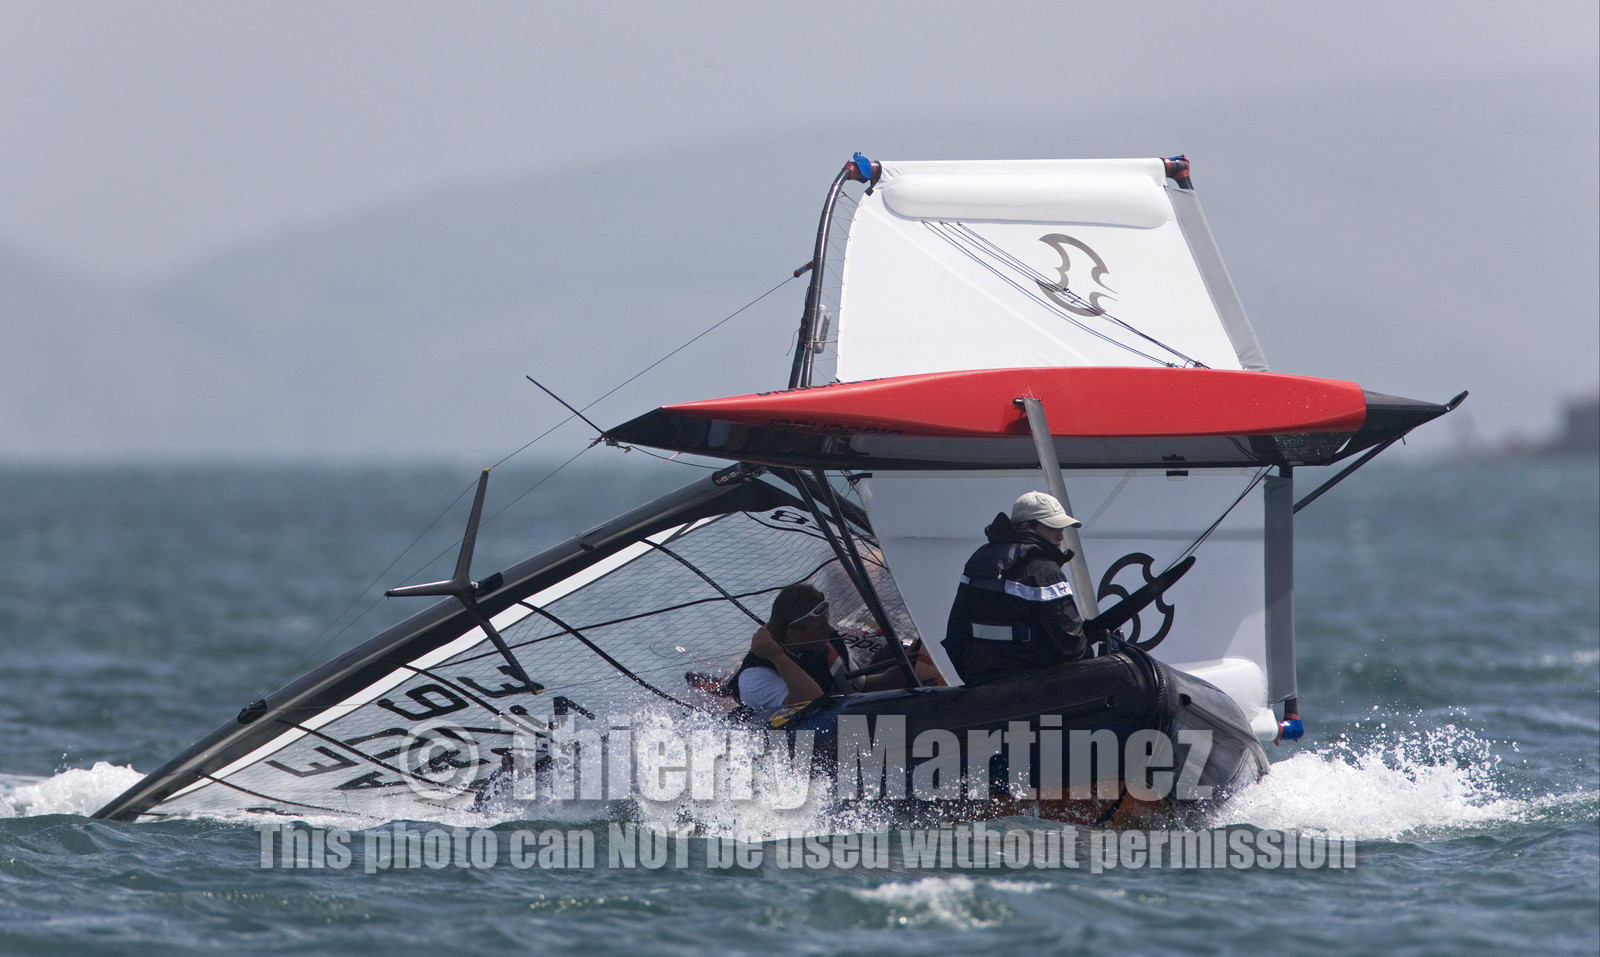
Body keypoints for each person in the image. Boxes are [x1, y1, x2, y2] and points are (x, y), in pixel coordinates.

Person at [942, 490, 1090, 685]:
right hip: (1036, 692)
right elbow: (1071, 641)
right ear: (1027, 526)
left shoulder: (979, 560)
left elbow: (955, 632)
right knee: (1053, 719)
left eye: (1062, 528)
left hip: (982, 690)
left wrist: (974, 681)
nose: (1060, 534)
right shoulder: (1043, 569)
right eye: (1053, 526)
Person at [733, 583, 932, 714]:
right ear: (793, 634)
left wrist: (915, 653)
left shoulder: (828, 643)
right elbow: (811, 702)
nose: (829, 630)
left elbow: (865, 687)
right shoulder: (755, 675)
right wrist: (778, 656)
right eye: (819, 627)